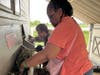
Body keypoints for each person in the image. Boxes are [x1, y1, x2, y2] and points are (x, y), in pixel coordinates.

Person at [20, 0, 93, 75]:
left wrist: (24, 64)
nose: (50, 21)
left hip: (79, 71)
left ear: (60, 12)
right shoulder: (70, 23)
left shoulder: (64, 25)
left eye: (51, 16)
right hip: (83, 69)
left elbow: (46, 55)